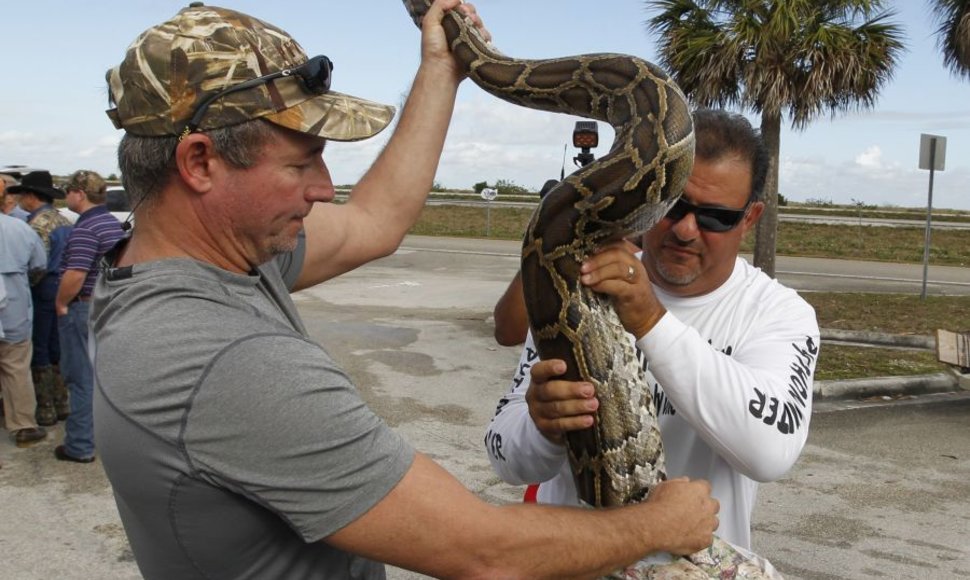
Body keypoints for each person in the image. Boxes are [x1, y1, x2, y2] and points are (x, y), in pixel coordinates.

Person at [91, 3, 719, 579]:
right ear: (200, 162)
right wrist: (657, 525)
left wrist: (443, 67)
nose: (323, 186)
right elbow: (485, 553)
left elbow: (376, 220)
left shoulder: (194, 262)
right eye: (302, 160)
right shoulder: (223, 360)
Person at [485, 108, 821, 551]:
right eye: (674, 204)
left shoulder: (778, 313)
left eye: (715, 217)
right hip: (569, 560)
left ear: (751, 217)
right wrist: (542, 428)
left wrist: (649, 320)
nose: (685, 230)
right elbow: (504, 455)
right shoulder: (579, 285)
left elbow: (769, 452)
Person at [52, 170, 124, 464]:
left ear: (79, 194)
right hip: (108, 305)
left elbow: (75, 274)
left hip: (84, 306)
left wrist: (60, 303)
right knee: (105, 377)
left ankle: (80, 444)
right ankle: (109, 440)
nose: (66, 196)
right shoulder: (111, 224)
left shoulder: (85, 229)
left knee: (79, 376)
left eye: (68, 191)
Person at [8, 170, 74, 426]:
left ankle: (45, 406)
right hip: (65, 287)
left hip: (44, 289)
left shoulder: (36, 225)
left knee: (41, 348)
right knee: (57, 347)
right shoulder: (63, 220)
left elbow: (36, 264)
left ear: (31, 196)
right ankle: (62, 401)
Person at [0, 205, 48, 447]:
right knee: (16, 368)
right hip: (13, 309)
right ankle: (23, 427)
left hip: (13, 309)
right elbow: (39, 264)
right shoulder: (19, 228)